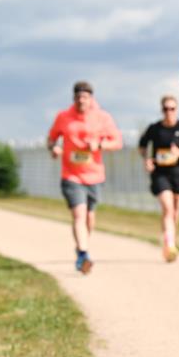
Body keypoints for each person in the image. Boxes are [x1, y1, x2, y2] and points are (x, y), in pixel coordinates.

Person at [47, 81, 123, 274]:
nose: (82, 100)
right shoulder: (63, 117)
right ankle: (83, 254)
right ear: (74, 99)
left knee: (89, 219)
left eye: (86, 97)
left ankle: (82, 246)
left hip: (95, 175)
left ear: (91, 99)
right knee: (79, 214)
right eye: (79, 97)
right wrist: (54, 148)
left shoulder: (102, 117)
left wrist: (99, 145)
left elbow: (117, 142)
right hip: (71, 175)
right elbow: (51, 138)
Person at [138, 95, 179, 262]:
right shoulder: (154, 129)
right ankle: (169, 243)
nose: (169, 112)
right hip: (160, 174)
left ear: (176, 109)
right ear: (161, 110)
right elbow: (142, 146)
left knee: (176, 211)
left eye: (172, 108)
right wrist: (146, 159)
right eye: (166, 109)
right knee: (168, 208)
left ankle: (171, 241)